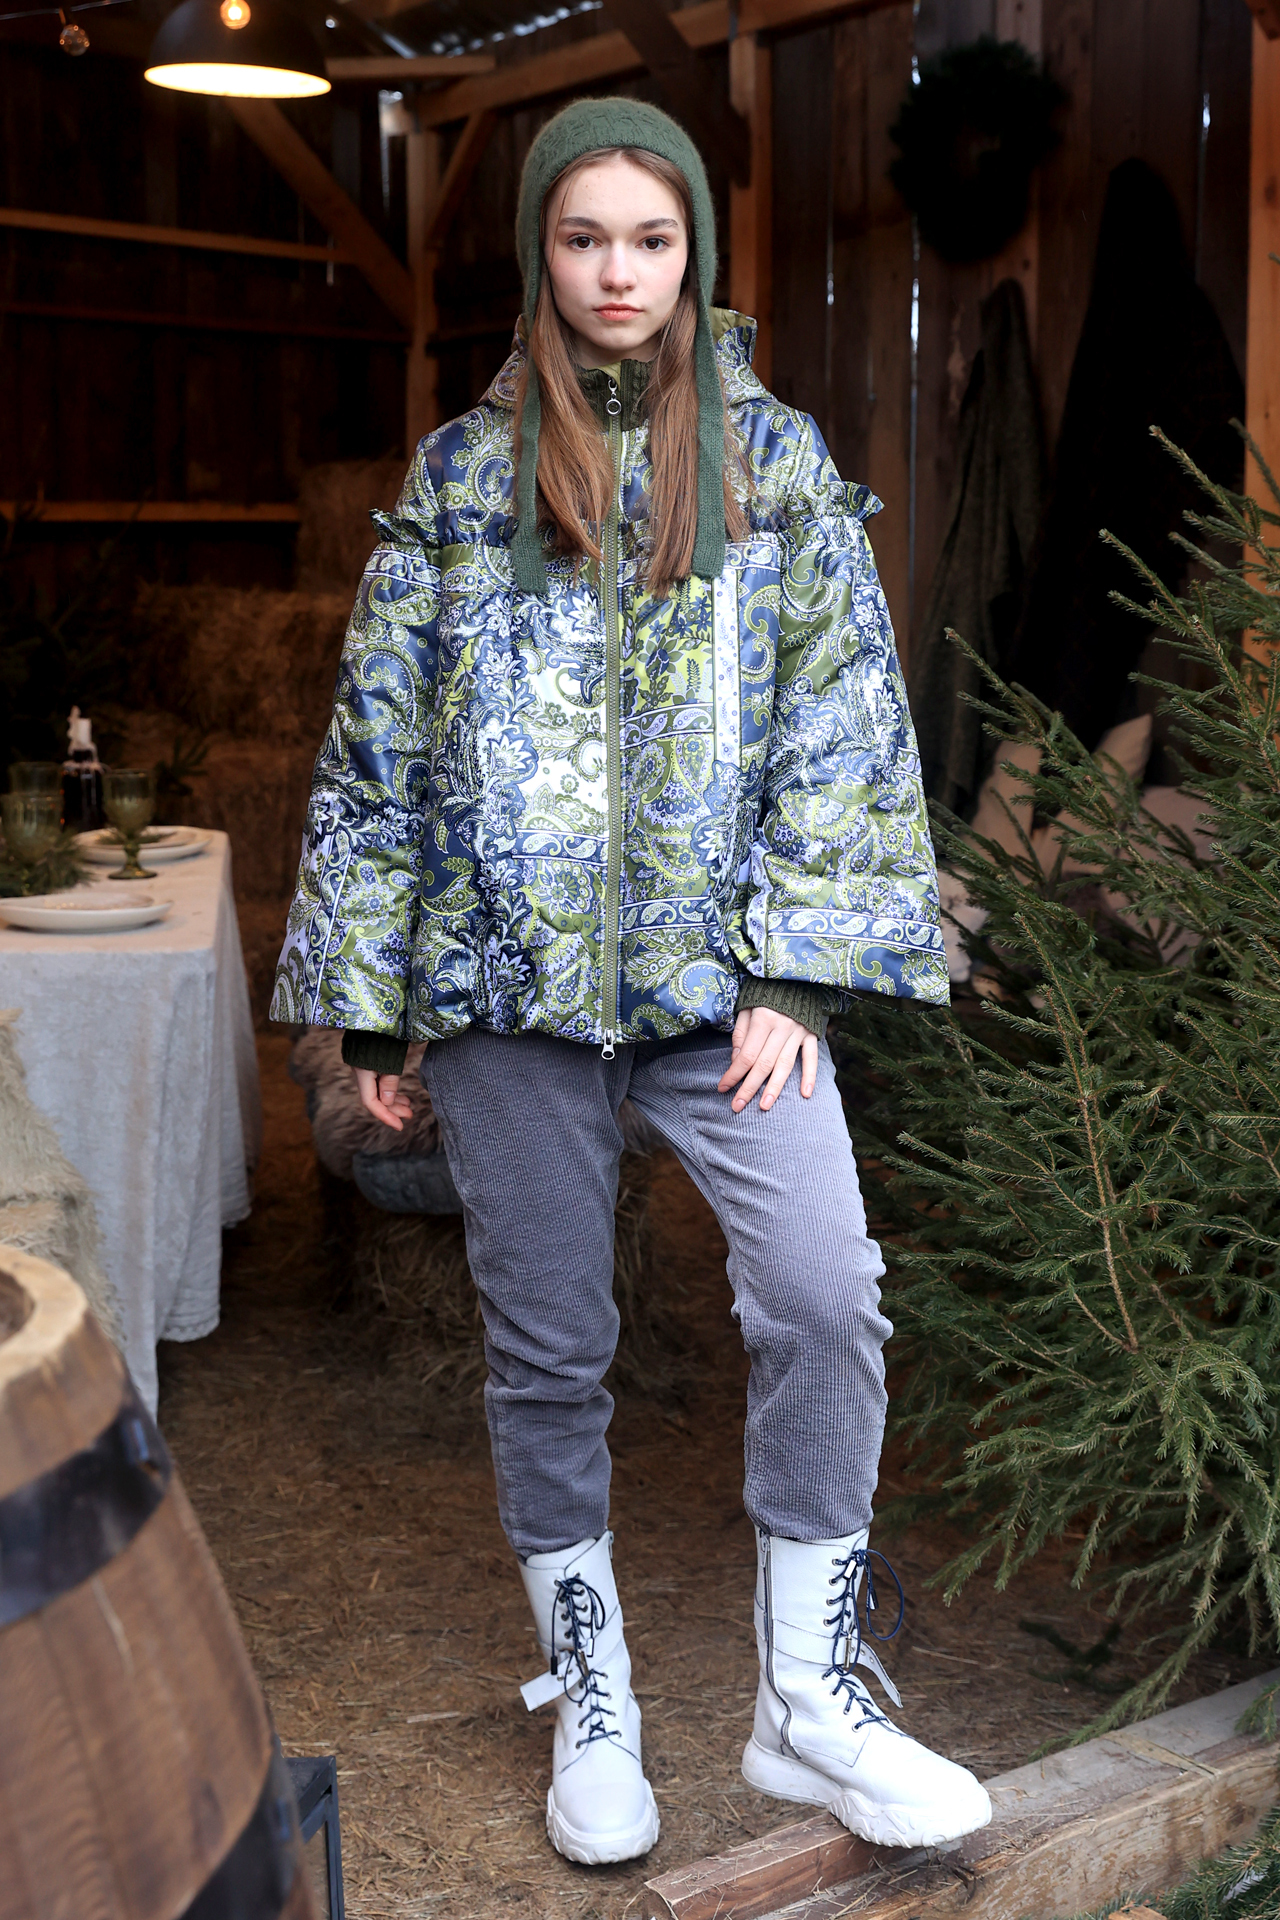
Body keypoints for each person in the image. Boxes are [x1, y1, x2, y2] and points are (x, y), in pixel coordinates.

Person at [273, 97, 990, 1869]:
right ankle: (590, 1694)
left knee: (824, 1293)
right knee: (549, 1346)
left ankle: (806, 1698)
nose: (618, 272)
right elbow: (380, 752)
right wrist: (376, 1006)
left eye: (651, 240)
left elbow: (842, 727)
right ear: (541, 249)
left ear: (696, 254)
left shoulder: (776, 463)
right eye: (585, 237)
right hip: (504, 997)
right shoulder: (465, 479)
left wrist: (798, 979)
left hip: (720, 993)